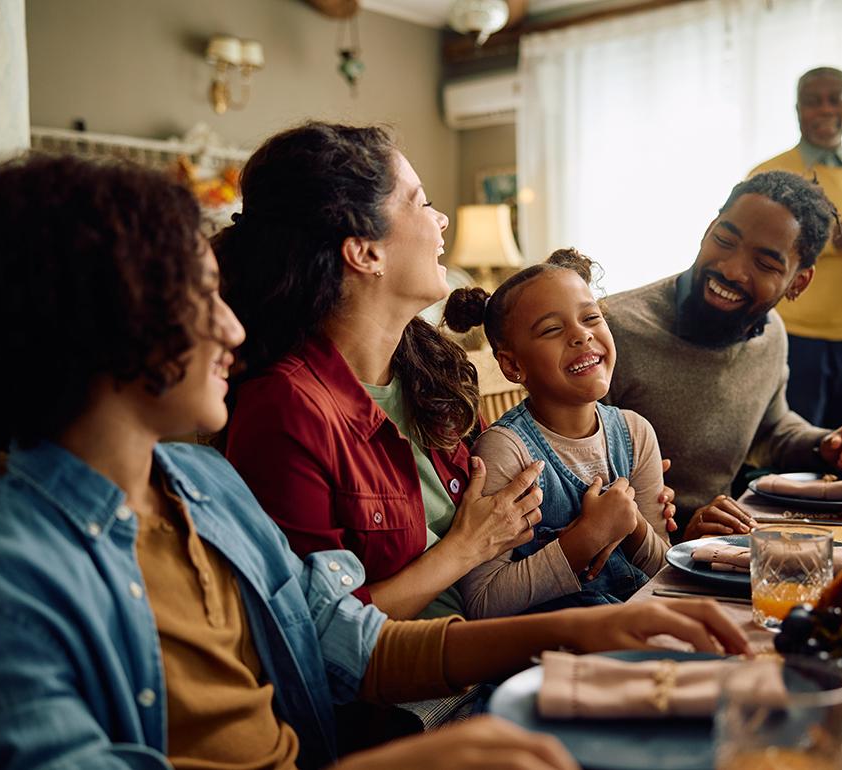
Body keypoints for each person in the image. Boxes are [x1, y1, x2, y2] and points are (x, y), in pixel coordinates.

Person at [0, 155, 750, 770]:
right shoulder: (3, 586)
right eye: (198, 299)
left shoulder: (201, 487)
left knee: (721, 718)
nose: (233, 330)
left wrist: (600, 624)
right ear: (99, 326)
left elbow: (353, 641)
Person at [219, 123, 675, 621]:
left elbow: (508, 512)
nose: (440, 221)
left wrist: (623, 512)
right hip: (429, 692)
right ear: (365, 252)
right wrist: (465, 548)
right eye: (420, 202)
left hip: (499, 645)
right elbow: (319, 634)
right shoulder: (284, 410)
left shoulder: (429, 370)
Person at [605, 171, 842, 539]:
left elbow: (770, 429)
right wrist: (677, 536)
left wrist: (825, 446)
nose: (732, 270)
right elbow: (571, 487)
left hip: (714, 546)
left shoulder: (771, 334)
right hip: (632, 562)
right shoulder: (611, 330)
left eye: (765, 264)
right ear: (708, 230)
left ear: (798, 282)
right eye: (724, 240)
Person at [443, 248, 671, 618]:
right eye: (552, 329)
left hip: (637, 630)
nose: (581, 335)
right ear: (513, 365)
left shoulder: (636, 433)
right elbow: (483, 602)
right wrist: (585, 539)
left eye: (591, 317)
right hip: (548, 654)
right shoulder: (506, 451)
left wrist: (633, 526)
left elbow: (665, 571)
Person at [749, 66, 842, 429]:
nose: (825, 110)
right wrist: (829, 240)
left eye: (836, 99)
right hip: (795, 342)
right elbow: (753, 253)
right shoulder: (770, 174)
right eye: (813, 102)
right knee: (794, 460)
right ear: (797, 109)